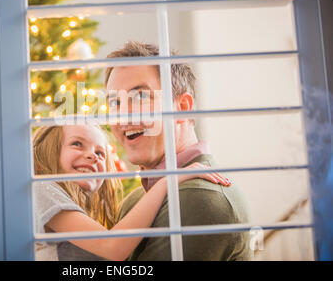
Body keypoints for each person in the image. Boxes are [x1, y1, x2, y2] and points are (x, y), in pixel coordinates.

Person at [105, 41, 252, 261]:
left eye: (141, 97)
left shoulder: (199, 198)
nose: (123, 116)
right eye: (115, 103)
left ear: (182, 108)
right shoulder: (137, 200)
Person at [32, 124, 231, 261]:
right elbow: (114, 247)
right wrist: (167, 182)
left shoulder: (75, 208)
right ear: (49, 150)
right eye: (77, 144)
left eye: (100, 153)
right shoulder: (42, 189)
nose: (93, 155)